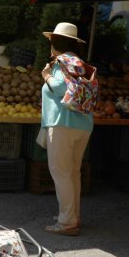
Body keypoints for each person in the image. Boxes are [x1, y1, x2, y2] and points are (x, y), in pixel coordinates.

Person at [41, 22, 94, 236]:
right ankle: (72, 216)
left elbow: (61, 88)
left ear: (55, 43)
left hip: (62, 124)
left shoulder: (60, 63)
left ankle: (67, 223)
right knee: (72, 173)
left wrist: (46, 76)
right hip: (83, 125)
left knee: (61, 173)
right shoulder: (79, 63)